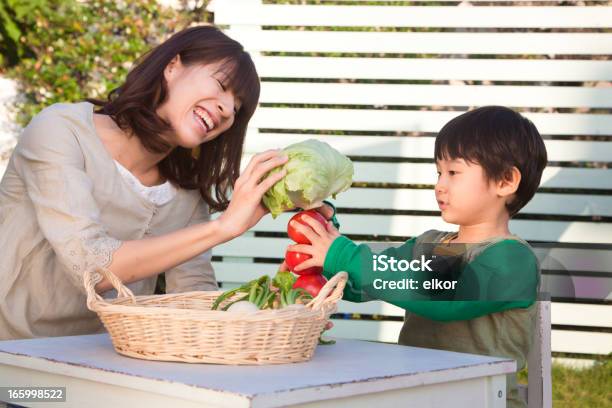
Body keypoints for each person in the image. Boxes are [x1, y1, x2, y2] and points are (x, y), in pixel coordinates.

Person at [0, 25, 333, 340]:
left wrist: (276, 300)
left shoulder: (185, 193)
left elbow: (195, 301)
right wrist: (224, 227)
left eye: (237, 108)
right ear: (173, 66)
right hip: (14, 359)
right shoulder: (61, 130)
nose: (227, 109)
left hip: (103, 365)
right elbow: (93, 267)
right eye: (220, 84)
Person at [282, 106, 548, 408]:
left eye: (454, 172)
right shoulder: (429, 244)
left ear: (505, 181)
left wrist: (343, 254)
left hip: (484, 400)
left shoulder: (511, 259)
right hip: (417, 395)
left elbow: (445, 296)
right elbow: (366, 283)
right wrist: (324, 253)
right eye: (439, 172)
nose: (440, 185)